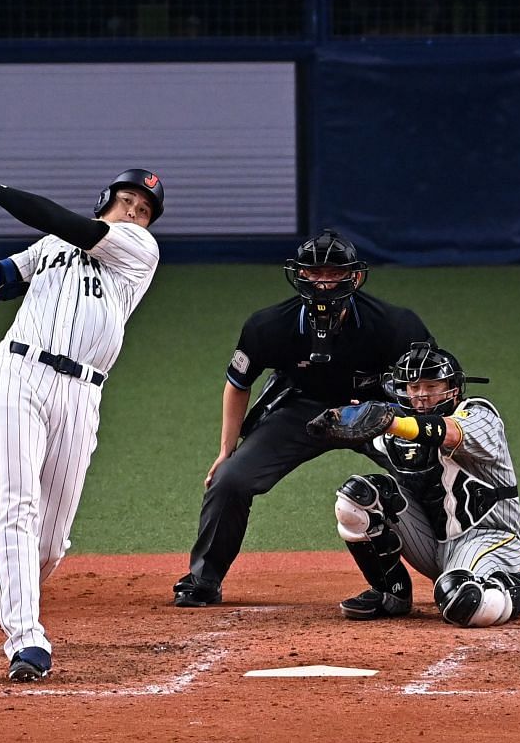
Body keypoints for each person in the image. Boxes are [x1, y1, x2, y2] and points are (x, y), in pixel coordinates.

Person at [0, 165, 163, 682]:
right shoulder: (49, 247)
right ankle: (26, 638)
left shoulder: (138, 251)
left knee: (53, 541)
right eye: (128, 200)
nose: (134, 212)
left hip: (82, 395)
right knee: (17, 506)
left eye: (144, 210)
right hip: (18, 375)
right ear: (107, 198)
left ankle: (3, 601)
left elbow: (71, 225)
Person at [172, 229, 430, 607]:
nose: (324, 282)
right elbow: (238, 384)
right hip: (302, 409)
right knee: (230, 480)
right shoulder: (268, 326)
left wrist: (422, 435)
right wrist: (226, 450)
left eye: (334, 273)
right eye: (316, 273)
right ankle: (203, 580)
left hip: (375, 412)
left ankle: (459, 566)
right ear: (301, 275)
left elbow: (429, 384)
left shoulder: (395, 324)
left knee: (431, 473)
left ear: (354, 276)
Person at [313, 341, 520, 625]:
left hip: (489, 538)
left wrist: (392, 423)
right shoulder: (395, 431)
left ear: (453, 388)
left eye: (432, 386)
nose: (422, 396)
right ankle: (391, 594)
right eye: (414, 388)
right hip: (432, 543)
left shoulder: (480, 414)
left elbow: (449, 432)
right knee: (355, 498)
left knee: (466, 603)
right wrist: (335, 421)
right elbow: (348, 431)